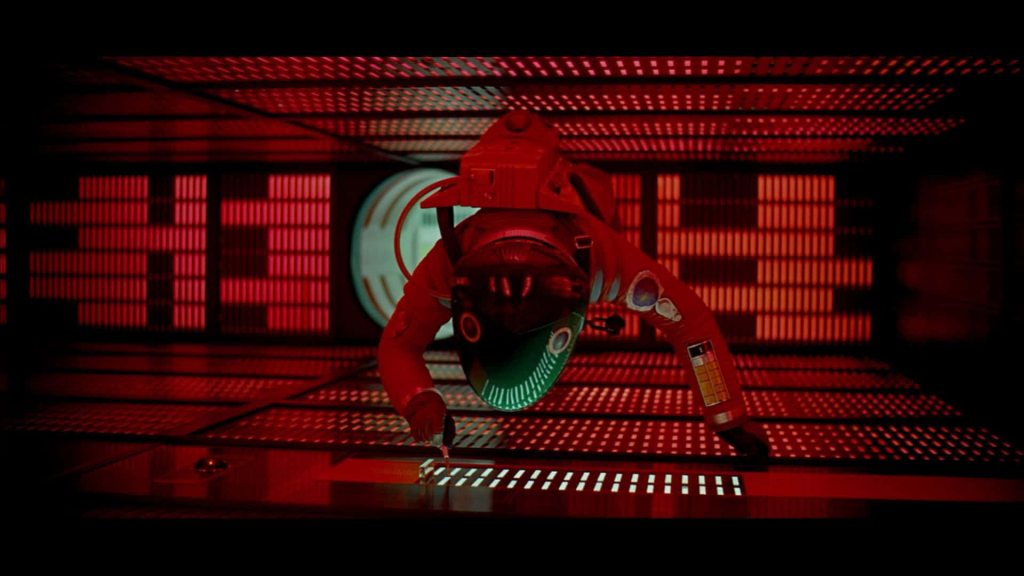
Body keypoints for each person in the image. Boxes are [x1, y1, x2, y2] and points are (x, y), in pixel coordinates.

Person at [378, 110, 771, 460]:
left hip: (580, 202)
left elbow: (400, 346)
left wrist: (419, 400)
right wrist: (726, 416)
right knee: (597, 190)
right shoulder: (597, 258)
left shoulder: (454, 260)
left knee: (597, 189)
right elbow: (689, 324)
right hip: (582, 204)